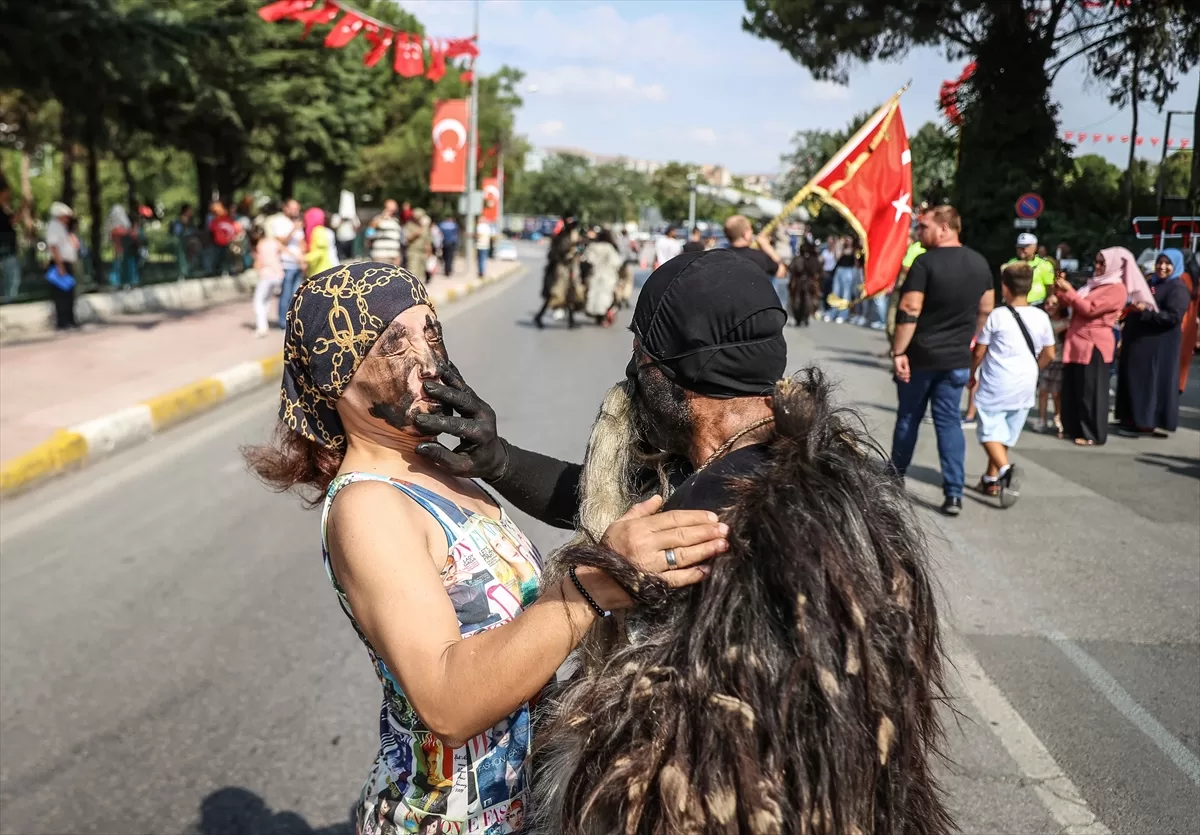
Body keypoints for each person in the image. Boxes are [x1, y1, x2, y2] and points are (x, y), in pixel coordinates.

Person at [413, 250, 950, 835]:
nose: (630, 377)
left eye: (640, 358)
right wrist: (499, 459)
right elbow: (608, 502)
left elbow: (698, 768)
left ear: (669, 381)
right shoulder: (806, 463)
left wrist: (587, 592)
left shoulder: (725, 524)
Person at [244, 261, 724, 835]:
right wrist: (591, 586)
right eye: (394, 343)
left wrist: (500, 460)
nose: (428, 359)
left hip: (523, 805)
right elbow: (445, 704)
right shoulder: (367, 506)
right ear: (335, 378)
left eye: (431, 331)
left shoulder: (437, 463)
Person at [890, 205, 994, 516]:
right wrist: (970, 338)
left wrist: (898, 351)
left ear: (945, 228)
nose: (918, 232)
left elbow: (910, 307)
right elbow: (986, 308)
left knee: (909, 417)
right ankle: (953, 493)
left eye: (924, 227)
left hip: (920, 356)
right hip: (957, 359)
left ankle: (893, 479)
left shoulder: (925, 263)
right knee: (949, 423)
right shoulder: (979, 263)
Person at [968, 263, 1055, 507]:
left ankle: (1006, 470)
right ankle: (991, 478)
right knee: (1003, 433)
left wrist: (972, 373)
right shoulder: (1041, 317)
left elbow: (979, 351)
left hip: (997, 381)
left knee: (987, 433)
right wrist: (1034, 369)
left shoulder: (998, 315)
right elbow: (1050, 353)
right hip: (1026, 383)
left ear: (1004, 288)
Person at [1055, 247, 1146, 446]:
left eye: (1102, 263)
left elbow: (1089, 309)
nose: (1097, 267)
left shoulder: (1117, 289)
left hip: (1094, 343)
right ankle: (1073, 427)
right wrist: (1060, 289)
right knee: (1074, 387)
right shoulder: (1093, 285)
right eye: (1096, 262)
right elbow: (1073, 304)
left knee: (1091, 391)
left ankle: (1092, 433)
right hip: (1077, 340)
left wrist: (1069, 291)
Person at [1114, 249, 1190, 437]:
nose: (1162, 267)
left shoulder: (1177, 288)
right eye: (1160, 262)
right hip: (1139, 341)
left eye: (1167, 264)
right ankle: (1130, 417)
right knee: (1134, 379)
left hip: (1158, 345)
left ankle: (1144, 422)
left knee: (1149, 383)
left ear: (1176, 266)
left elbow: (1173, 317)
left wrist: (1145, 312)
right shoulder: (1151, 283)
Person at [534, 219, 582, 330]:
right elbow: (563, 254)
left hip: (565, 270)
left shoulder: (567, 237)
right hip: (561, 271)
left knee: (569, 295)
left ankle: (571, 321)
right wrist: (572, 252)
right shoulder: (563, 238)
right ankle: (539, 316)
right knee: (556, 294)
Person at [1035, 290, 1070, 435]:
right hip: (1045, 360)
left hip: (1059, 361)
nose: (1050, 306)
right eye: (1047, 303)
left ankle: (1058, 417)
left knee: (1056, 393)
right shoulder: (1042, 321)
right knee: (1043, 391)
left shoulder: (1065, 322)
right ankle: (1042, 419)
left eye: (1054, 304)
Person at [45, 202, 79, 330]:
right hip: (60, 263)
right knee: (61, 294)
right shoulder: (54, 226)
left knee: (69, 293)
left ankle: (70, 319)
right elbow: (54, 247)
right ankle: (63, 321)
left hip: (66, 263)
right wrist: (60, 266)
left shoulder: (63, 228)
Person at [887, 229, 926, 339]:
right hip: (900, 285)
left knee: (901, 317)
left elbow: (905, 267)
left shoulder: (917, 248)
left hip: (908, 285)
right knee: (891, 319)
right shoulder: (907, 248)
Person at [581, 227, 623, 327]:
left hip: (595, 274)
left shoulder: (592, 246)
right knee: (606, 297)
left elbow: (586, 260)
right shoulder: (609, 247)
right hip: (608, 275)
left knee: (594, 295)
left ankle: (597, 316)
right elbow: (617, 262)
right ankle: (604, 316)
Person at [273, 199, 305, 330]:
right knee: (286, 294)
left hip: (298, 263)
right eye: (293, 208)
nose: (296, 211)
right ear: (285, 209)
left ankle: (293, 322)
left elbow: (301, 243)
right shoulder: (280, 222)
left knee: (296, 295)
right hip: (287, 264)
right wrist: (293, 230)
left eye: (297, 208)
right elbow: (281, 241)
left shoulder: (296, 223)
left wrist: (303, 258)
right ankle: (283, 322)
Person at [252, 217, 284, 337]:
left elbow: (258, 263)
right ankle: (264, 323)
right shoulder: (273, 242)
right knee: (267, 300)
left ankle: (262, 327)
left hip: (266, 276)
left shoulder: (260, 245)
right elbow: (284, 251)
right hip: (278, 275)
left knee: (258, 301)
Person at [1006, 233, 1056, 306]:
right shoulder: (1011, 264)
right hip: (1015, 304)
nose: (1022, 250)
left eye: (1025, 247)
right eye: (1019, 247)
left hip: (1038, 304)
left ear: (1035, 247)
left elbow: (1050, 287)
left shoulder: (1044, 264)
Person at [787, 240, 822, 326]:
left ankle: (802, 318)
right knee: (800, 300)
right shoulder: (810, 259)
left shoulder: (802, 259)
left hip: (806, 282)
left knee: (803, 300)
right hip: (802, 282)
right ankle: (801, 318)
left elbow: (792, 269)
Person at [1, 176, 22, 301]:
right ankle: (9, 298)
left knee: (11, 274)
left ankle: (9, 298)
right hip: (5, 247)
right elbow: (12, 221)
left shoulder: (5, 208)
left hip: (8, 247)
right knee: (12, 273)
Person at [303, 207, 337, 279]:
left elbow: (320, 251)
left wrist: (304, 258)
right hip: (321, 267)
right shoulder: (321, 230)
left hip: (323, 268)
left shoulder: (318, 231)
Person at [368, 200, 404, 266]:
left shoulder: (396, 221)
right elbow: (369, 232)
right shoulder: (378, 219)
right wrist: (382, 217)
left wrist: (398, 256)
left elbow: (398, 240)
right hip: (380, 256)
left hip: (394, 256)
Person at [404, 210, 432, 283]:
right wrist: (415, 234)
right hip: (413, 251)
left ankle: (418, 289)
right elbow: (407, 238)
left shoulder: (424, 227)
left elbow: (427, 240)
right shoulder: (409, 225)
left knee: (420, 272)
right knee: (413, 271)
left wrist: (429, 251)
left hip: (422, 252)